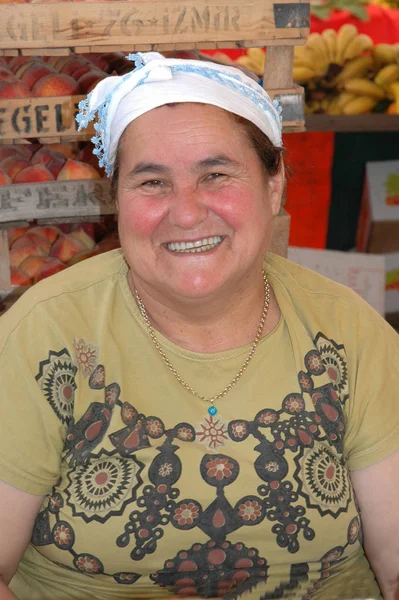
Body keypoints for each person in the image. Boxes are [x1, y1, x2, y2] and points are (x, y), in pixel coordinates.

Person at [0, 52, 398, 600]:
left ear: (273, 184)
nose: (185, 213)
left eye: (215, 175)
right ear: (116, 197)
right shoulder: (46, 336)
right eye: (152, 182)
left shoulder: (346, 330)